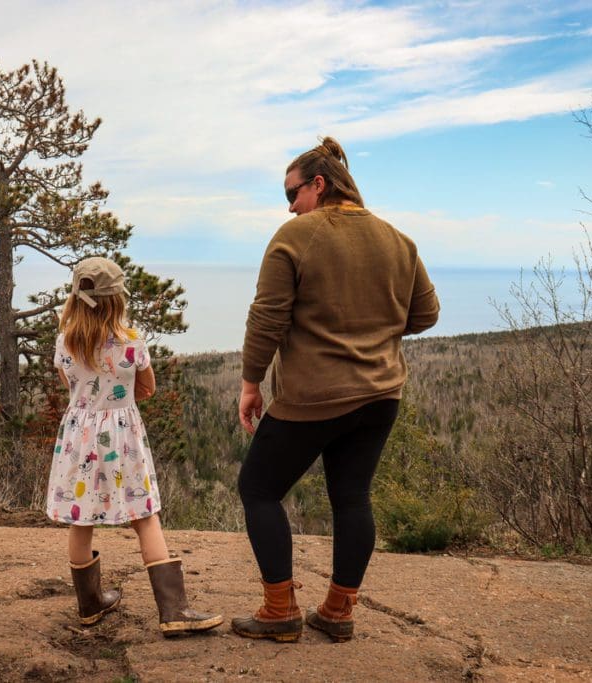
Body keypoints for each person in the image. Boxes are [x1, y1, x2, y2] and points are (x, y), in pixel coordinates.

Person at [232, 137, 440, 643]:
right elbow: (426, 314)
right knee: (352, 498)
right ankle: (338, 612)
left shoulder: (295, 236)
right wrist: (371, 333)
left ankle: (279, 610)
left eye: (293, 192)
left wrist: (251, 383)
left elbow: (267, 318)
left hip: (313, 397)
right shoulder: (398, 240)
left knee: (258, 489)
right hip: (380, 395)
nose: (289, 205)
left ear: (318, 184)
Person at [47, 256, 223, 636]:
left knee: (82, 518)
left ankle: (90, 605)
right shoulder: (133, 343)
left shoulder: (64, 343)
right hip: (122, 435)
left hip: (80, 435)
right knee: (144, 516)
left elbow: (72, 387)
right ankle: (173, 610)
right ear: (118, 300)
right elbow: (148, 387)